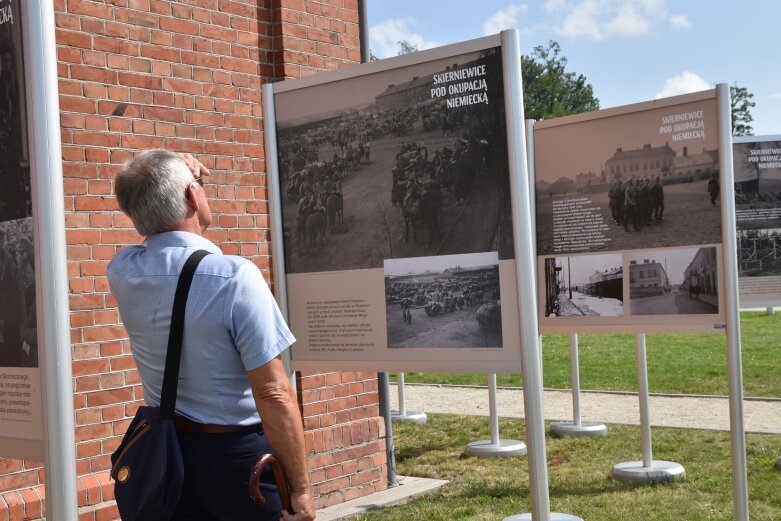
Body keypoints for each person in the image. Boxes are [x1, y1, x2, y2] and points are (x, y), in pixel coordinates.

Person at [107, 150, 315, 521]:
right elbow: (273, 392)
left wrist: (171, 181)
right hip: (237, 458)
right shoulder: (233, 276)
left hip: (166, 453)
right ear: (191, 196)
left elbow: (150, 194)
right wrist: (299, 489)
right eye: (199, 186)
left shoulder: (122, 271)